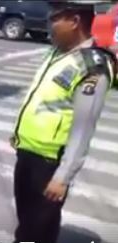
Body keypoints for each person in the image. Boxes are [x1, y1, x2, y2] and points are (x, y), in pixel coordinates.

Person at [10, 1, 117, 243]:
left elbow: (83, 128)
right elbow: (42, 100)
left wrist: (63, 176)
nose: (49, 25)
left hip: (50, 164)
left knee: (37, 230)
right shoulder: (58, 53)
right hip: (27, 153)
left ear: (74, 21)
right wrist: (18, 133)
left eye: (54, 19)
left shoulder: (92, 68)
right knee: (27, 222)